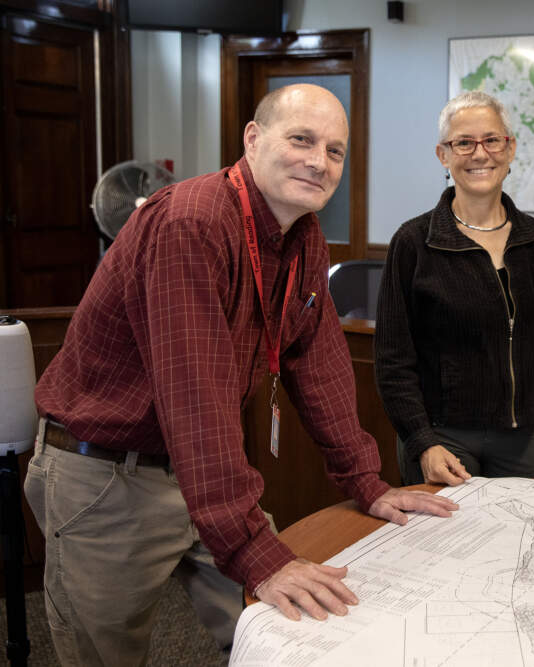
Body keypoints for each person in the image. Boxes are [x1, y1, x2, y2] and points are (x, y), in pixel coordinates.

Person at [24, 84, 458, 666]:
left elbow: (320, 364)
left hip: (204, 472)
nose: (318, 160)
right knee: (106, 659)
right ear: (253, 140)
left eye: (334, 151)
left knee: (290, 635)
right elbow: (195, 399)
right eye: (301, 139)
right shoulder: (191, 222)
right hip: (107, 480)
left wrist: (367, 483)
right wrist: (255, 550)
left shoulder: (301, 234)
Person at [375, 91, 534, 487]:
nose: (480, 153)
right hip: (442, 440)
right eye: (463, 143)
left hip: (523, 440)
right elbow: (392, 360)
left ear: (510, 148)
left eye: (491, 140)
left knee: (524, 545)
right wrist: (422, 442)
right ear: (443, 156)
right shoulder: (414, 242)